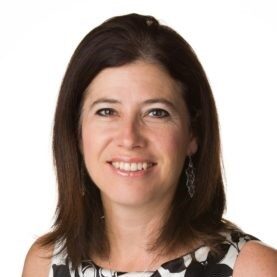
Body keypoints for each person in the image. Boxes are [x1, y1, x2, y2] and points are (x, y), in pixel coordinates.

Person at [22, 13, 276, 277]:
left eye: (156, 113)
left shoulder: (254, 270)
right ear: (77, 131)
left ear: (193, 134)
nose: (129, 138)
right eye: (107, 111)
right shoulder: (45, 263)